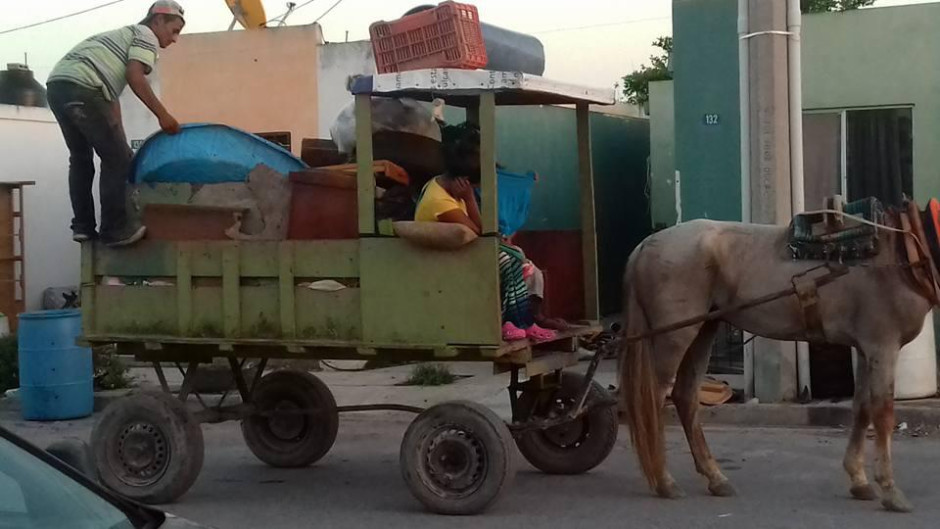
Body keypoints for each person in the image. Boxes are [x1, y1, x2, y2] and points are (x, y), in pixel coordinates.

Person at [46, 1, 185, 247]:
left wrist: (120, 143)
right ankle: (114, 229)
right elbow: (135, 76)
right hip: (85, 87)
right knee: (118, 160)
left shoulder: (118, 40)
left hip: (59, 86)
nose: (175, 39)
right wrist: (164, 116)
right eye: (174, 30)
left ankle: (83, 227)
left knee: (81, 158)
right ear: (157, 20)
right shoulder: (145, 35)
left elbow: (110, 105)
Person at [414, 123, 556, 342]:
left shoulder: (446, 189)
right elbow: (482, 234)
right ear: (463, 181)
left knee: (515, 257)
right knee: (508, 260)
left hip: (460, 254)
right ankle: (515, 322)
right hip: (444, 261)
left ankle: (523, 321)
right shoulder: (440, 202)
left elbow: (483, 234)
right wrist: (470, 199)